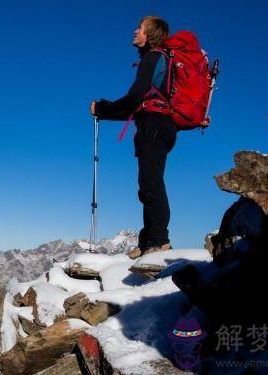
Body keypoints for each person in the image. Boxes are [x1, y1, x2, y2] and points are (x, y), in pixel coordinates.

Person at [90, 15, 177, 255]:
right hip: (158, 125)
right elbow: (139, 105)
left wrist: (102, 109)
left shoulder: (153, 57)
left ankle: (159, 241)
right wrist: (105, 111)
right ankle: (149, 240)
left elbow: (135, 97)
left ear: (150, 35)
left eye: (139, 29)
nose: (134, 32)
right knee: (148, 182)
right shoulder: (161, 59)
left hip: (154, 127)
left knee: (151, 183)